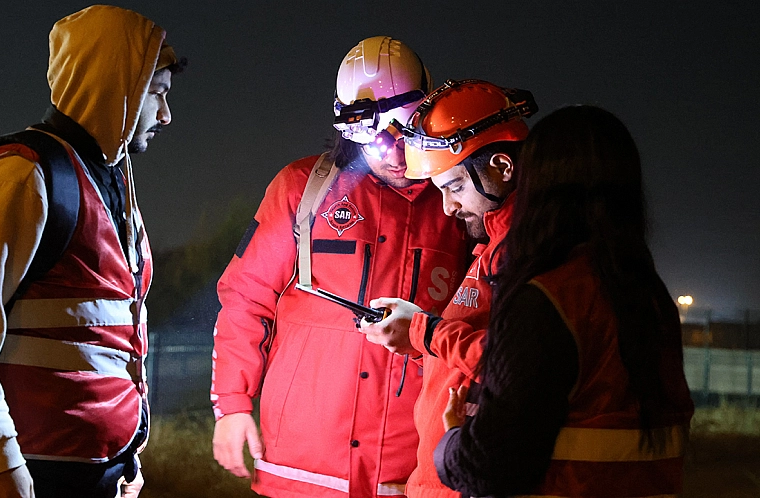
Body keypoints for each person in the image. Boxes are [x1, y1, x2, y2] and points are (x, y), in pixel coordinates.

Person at [0, 5, 184, 497]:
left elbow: (106, 339)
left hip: (91, 478)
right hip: (25, 477)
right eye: (157, 92)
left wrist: (124, 457)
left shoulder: (109, 179)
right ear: (118, 87)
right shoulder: (22, 174)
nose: (166, 115)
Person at [211, 36, 469, 497]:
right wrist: (232, 404)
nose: (394, 154)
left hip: (407, 467)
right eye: (376, 139)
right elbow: (245, 298)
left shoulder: (460, 207)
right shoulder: (301, 189)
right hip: (300, 467)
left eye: (405, 134)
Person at [435, 105, 695, 497]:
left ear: (538, 185)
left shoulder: (548, 299)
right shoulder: (651, 296)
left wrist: (452, 442)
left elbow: (490, 463)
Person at [358, 79, 536, 498]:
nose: (448, 208)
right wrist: (417, 337)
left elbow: (513, 366)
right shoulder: (495, 247)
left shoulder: (527, 253)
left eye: (454, 187)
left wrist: (424, 329)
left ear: (502, 168)